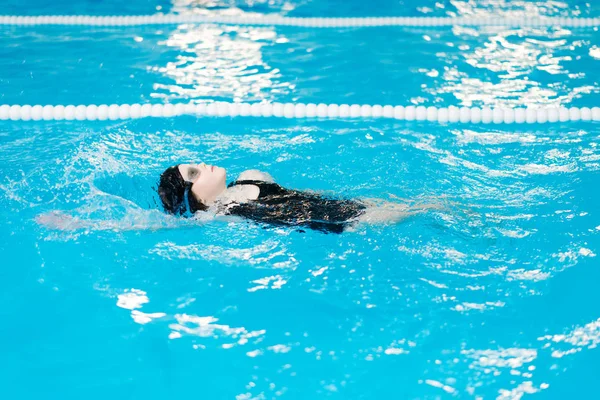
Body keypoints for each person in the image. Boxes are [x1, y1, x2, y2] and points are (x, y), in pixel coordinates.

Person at [157, 163, 441, 234]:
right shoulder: (219, 216)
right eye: (195, 172)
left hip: (347, 208)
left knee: (434, 207)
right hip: (348, 224)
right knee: (431, 209)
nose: (204, 165)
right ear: (192, 197)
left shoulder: (249, 176)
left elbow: (308, 197)